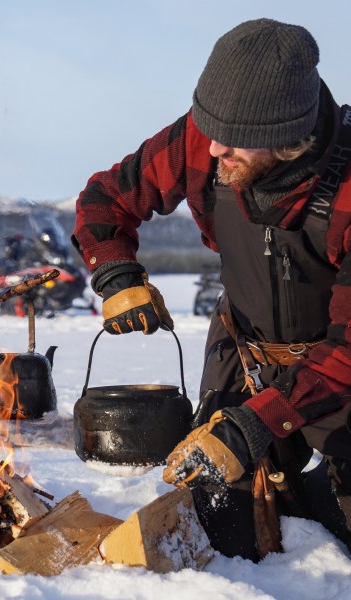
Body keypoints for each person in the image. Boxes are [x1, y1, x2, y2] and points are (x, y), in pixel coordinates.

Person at [72, 18, 351, 561]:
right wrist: (115, 271)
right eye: (209, 128)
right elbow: (106, 197)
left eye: (235, 142)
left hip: (334, 375)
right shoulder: (208, 134)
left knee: (337, 521)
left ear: (288, 140)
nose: (213, 146)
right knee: (218, 521)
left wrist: (259, 424)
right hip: (242, 358)